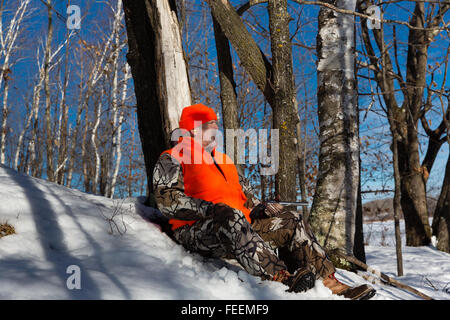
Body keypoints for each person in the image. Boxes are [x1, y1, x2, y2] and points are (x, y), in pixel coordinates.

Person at [152, 103, 375, 299]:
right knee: (230, 216)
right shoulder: (172, 156)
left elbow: (247, 196)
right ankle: (282, 277)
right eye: (210, 125)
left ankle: (328, 283)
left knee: (292, 220)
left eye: (215, 125)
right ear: (193, 129)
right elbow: (168, 202)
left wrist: (261, 207)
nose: (216, 131)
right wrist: (211, 209)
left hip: (241, 228)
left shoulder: (224, 160)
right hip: (198, 231)